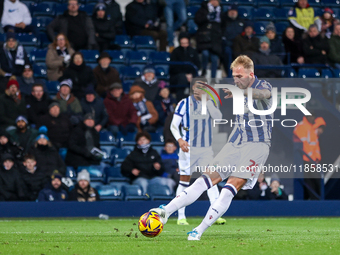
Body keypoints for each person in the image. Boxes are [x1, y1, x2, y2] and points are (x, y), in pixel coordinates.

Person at [150, 55, 273, 240]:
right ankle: (165, 212)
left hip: (257, 146)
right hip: (235, 144)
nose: (236, 79)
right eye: (234, 76)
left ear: (251, 74)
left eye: (239, 76)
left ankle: (198, 230)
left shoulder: (264, 87)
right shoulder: (238, 90)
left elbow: (264, 95)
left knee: (229, 188)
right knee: (202, 181)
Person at [167, 79, 225, 226]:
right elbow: (174, 125)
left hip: (206, 149)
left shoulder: (210, 103)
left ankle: (215, 213)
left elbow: (219, 118)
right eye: (197, 87)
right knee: (184, 180)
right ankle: (181, 216)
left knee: (211, 180)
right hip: (188, 148)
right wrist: (179, 140)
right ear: (193, 88)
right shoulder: (184, 103)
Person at [293, 112, 326, 200]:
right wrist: (312, 158)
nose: (312, 118)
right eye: (310, 116)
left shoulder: (311, 128)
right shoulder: (302, 127)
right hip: (305, 160)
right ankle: (315, 201)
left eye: (313, 116)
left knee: (315, 182)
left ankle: (317, 201)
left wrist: (316, 159)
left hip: (312, 162)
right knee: (310, 183)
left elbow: (315, 147)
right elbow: (304, 144)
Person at [194, 0, 222, 78]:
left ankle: (213, 77)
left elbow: (224, 23)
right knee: (205, 53)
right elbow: (197, 20)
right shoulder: (203, 10)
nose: (214, 2)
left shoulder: (221, 10)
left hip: (216, 40)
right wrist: (208, 16)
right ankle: (204, 70)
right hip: (204, 39)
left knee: (214, 58)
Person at [169, 32, 201, 101]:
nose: (184, 45)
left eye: (186, 43)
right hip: (178, 76)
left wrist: (191, 74)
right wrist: (185, 75)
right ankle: (180, 102)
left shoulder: (193, 51)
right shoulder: (175, 52)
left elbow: (197, 64)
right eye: (182, 43)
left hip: (191, 75)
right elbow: (173, 67)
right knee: (182, 79)